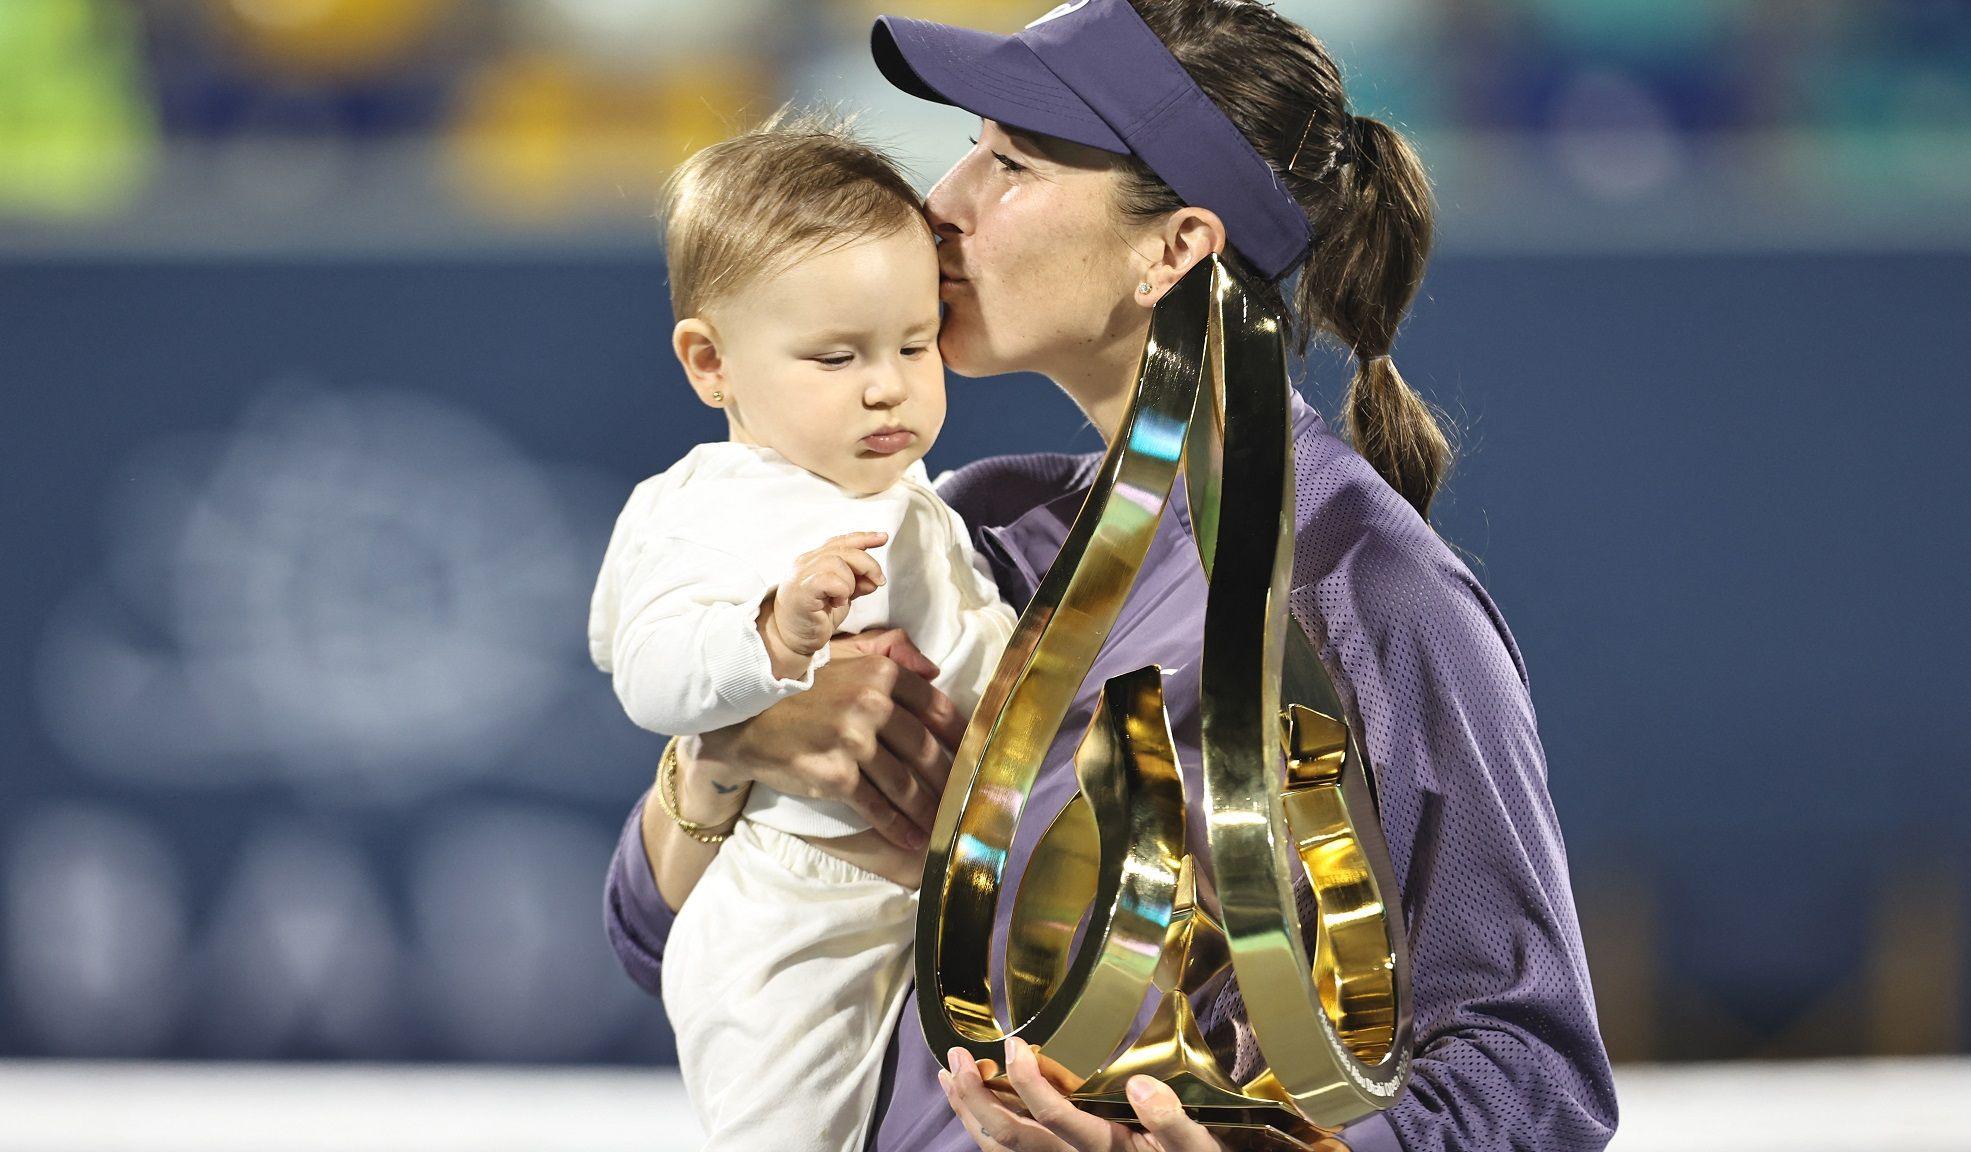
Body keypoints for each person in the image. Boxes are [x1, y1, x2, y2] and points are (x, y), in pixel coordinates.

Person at [603, 2, 1620, 1148]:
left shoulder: (1370, 590)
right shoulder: (977, 523)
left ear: (1173, 247)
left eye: (1010, 163)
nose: (940, 205)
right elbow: (648, 934)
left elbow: (1529, 1077)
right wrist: (726, 756)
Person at [587, 109, 1018, 1151]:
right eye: (834, 357)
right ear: (710, 363)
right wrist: (772, 640)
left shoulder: (921, 499)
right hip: (789, 918)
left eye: (914, 344)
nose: (887, 384)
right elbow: (643, 668)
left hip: (924, 911)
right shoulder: (707, 505)